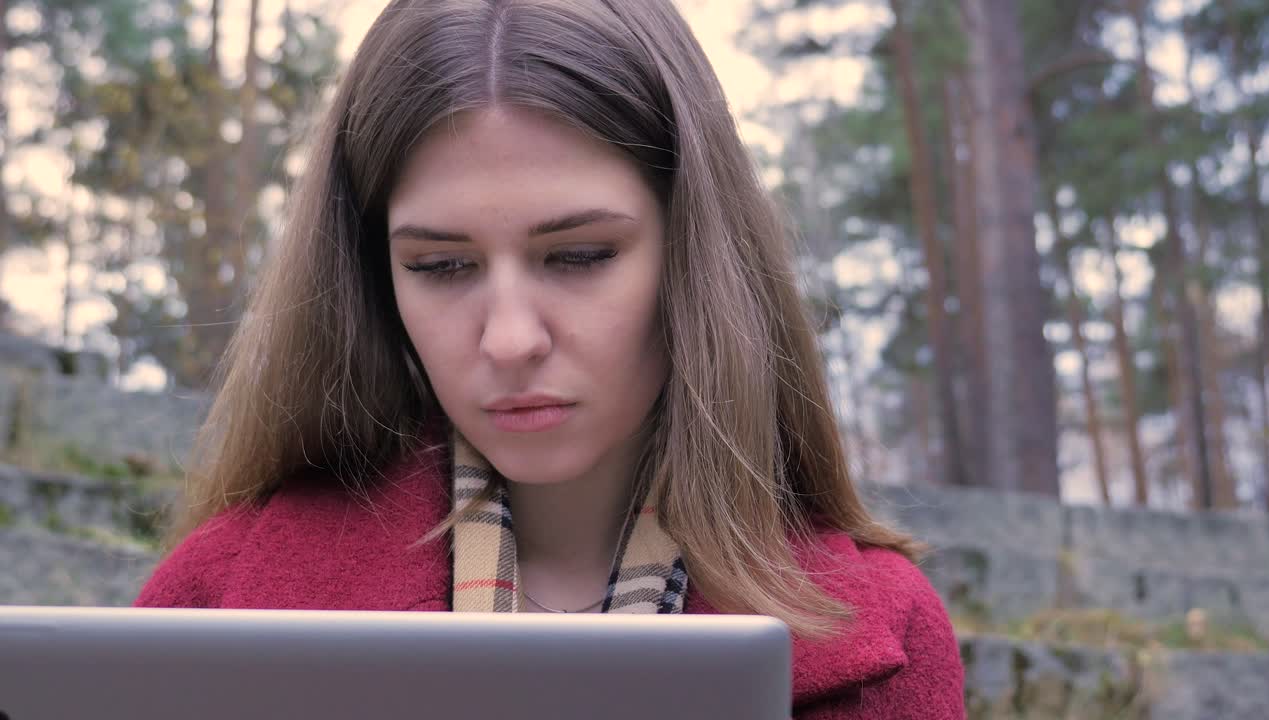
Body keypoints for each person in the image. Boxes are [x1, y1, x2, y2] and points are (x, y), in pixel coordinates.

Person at [135, 0, 966, 716]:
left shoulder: (882, 639)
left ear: (694, 253)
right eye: (440, 267)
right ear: (372, 276)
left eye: (578, 256)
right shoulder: (216, 595)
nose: (508, 339)